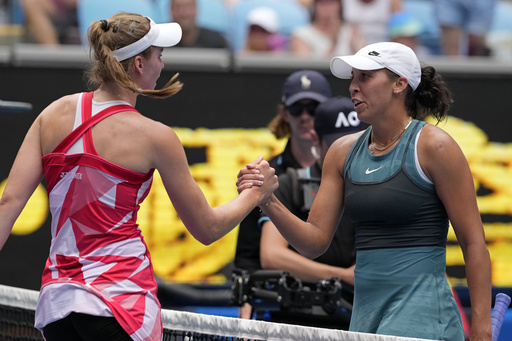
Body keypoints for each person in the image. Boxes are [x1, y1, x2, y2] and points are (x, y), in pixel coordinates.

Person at [0, 12, 277, 340]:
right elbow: (207, 227)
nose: (162, 64)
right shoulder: (155, 136)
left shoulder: (52, 114)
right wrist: (255, 193)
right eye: (159, 55)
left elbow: (8, 203)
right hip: (122, 305)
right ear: (140, 65)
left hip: (58, 307)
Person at [238, 41, 492, 340]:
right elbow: (314, 241)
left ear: (400, 83)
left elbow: (473, 243)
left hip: (424, 319)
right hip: (365, 320)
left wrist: (482, 329)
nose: (353, 87)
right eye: (352, 78)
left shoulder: (436, 146)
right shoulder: (342, 152)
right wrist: (267, 200)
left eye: (365, 77)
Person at [258, 96, 367, 329]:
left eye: (357, 143)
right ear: (317, 141)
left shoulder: (379, 186)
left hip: (362, 319)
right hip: (297, 322)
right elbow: (272, 256)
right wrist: (343, 276)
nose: (349, 153)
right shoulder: (290, 185)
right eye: (339, 144)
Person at [234, 69, 332, 319]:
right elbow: (249, 257)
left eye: (314, 108)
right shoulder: (265, 174)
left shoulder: (346, 171)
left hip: (344, 302)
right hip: (283, 308)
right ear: (285, 113)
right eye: (298, 108)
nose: (305, 117)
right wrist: (246, 323)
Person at [290, 0, 364, 57]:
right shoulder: (301, 35)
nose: (327, 8)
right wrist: (334, 43)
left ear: (340, 6)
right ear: (315, 7)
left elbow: (363, 58)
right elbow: (306, 66)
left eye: (331, 3)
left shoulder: (351, 31)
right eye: (322, 4)